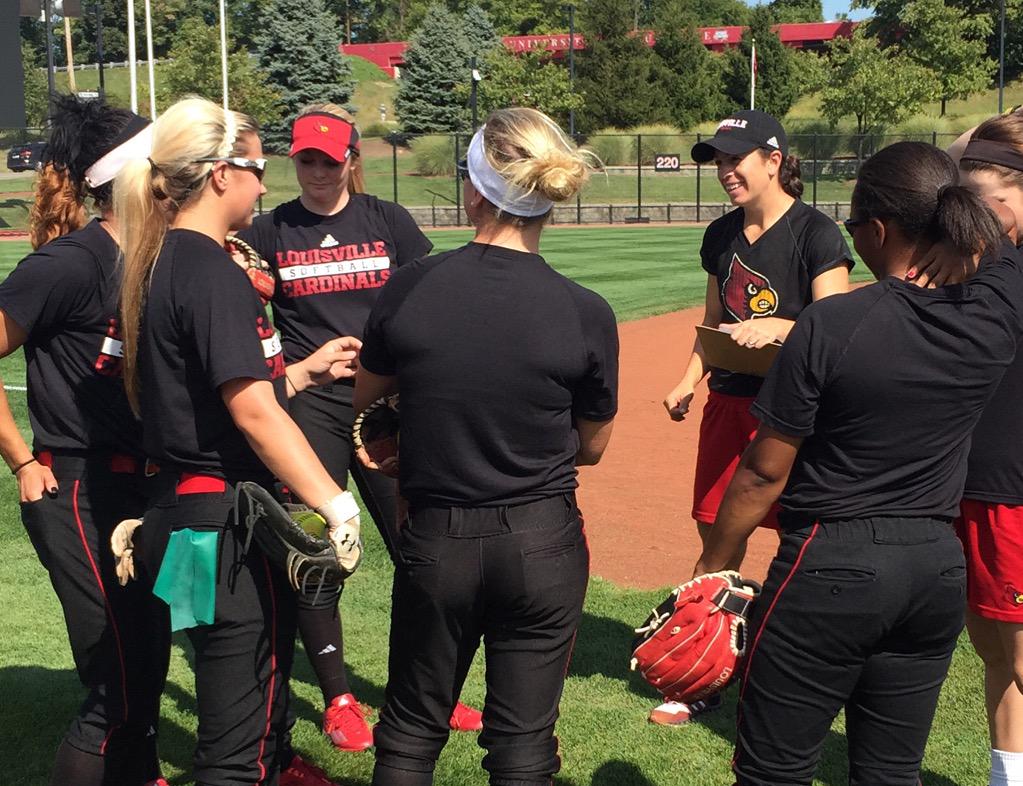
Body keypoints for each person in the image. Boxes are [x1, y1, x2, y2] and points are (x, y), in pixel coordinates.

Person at [695, 140, 1020, 786]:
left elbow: (762, 473)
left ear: (875, 230)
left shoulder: (833, 324)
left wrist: (713, 566)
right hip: (932, 570)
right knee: (889, 773)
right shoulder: (994, 311)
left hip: (830, 563)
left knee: (772, 771)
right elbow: (1003, 250)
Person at [354, 107, 618, 786]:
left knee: (411, 732)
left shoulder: (411, 286)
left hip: (438, 537)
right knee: (522, 744)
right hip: (542, 540)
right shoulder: (584, 310)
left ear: (474, 189)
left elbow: (366, 404)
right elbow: (591, 446)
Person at [114, 96, 363, 786]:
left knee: (244, 695)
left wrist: (304, 373)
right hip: (218, 524)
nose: (264, 183)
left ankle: (280, 761)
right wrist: (335, 503)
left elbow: (208, 399)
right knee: (233, 740)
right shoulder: (210, 269)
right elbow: (253, 412)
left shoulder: (155, 258)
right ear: (220, 174)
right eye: (255, 168)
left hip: (178, 513)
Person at [237, 104, 482, 751]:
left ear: (350, 160)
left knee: (420, 550)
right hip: (311, 405)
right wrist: (296, 368)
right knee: (319, 552)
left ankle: (427, 692)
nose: (316, 169)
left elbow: (429, 298)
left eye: (328, 157)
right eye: (305, 159)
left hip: (387, 405)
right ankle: (338, 698)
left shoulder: (387, 222)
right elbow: (244, 322)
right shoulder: (270, 230)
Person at [657, 109, 853, 726]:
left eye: (734, 158)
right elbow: (713, 323)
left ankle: (797, 672)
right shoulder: (720, 238)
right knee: (720, 534)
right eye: (717, 160)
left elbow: (842, 332)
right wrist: (690, 379)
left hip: (802, 414)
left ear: (774, 160)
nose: (724, 171)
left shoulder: (817, 234)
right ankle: (701, 669)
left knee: (806, 543)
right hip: (731, 405)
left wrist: (785, 327)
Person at [0, 94, 170, 786]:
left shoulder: (164, 257)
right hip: (76, 489)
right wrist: (19, 460)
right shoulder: (68, 265)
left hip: (147, 488)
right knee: (115, 683)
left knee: (147, 659)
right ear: (130, 176)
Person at [954, 111, 1023, 786]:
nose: (976, 219)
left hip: (1014, 495)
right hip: (970, 483)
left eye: (991, 205)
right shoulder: (975, 268)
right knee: (992, 653)